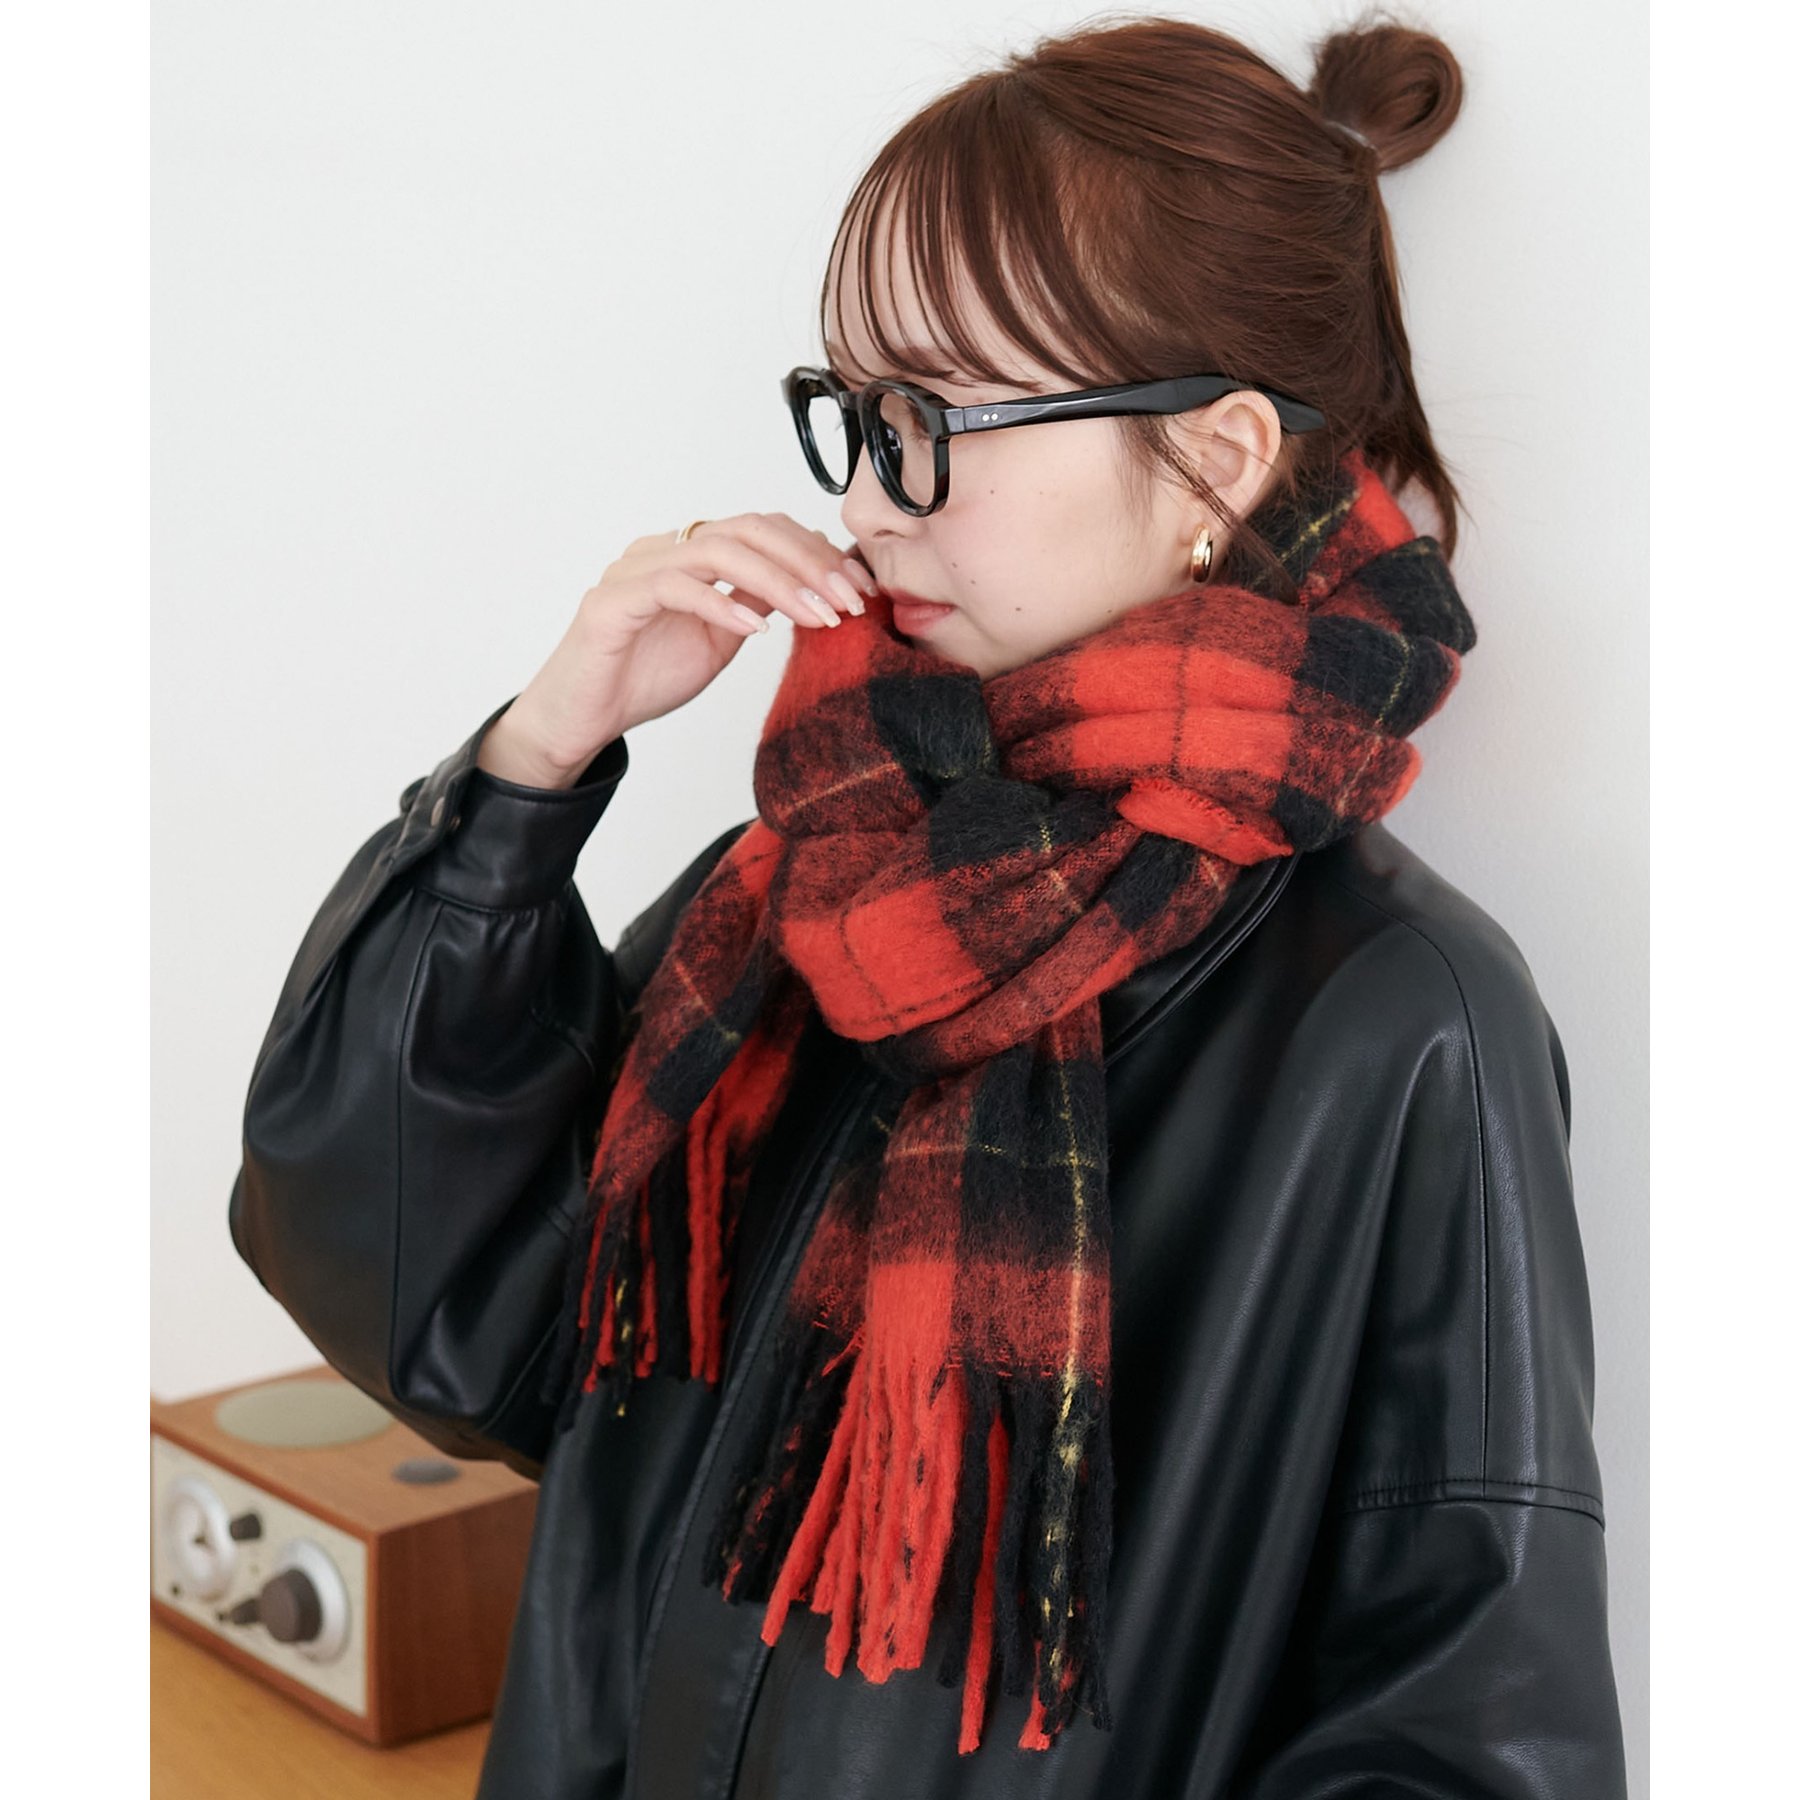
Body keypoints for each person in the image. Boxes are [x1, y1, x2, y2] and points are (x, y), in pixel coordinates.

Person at [229, 13, 1629, 1797]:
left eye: (935, 423)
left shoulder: (1401, 1020)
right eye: (855, 414)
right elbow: (453, 1325)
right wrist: (528, 775)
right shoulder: (817, 886)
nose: (865, 500)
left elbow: (1456, 1733)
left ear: (1215, 463)